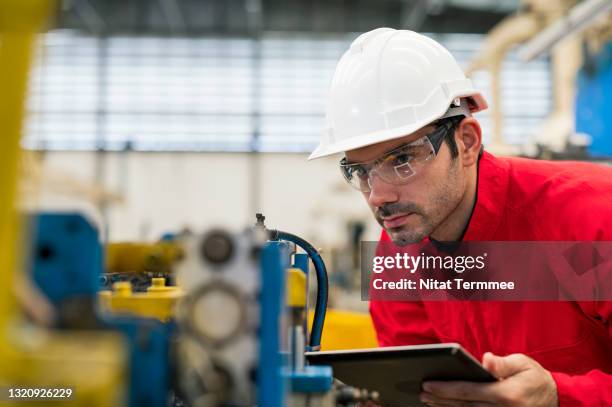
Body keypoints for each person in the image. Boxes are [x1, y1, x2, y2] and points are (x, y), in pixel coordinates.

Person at [309, 28, 612, 406]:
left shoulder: (591, 219)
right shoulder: (397, 252)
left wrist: (558, 396)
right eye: (362, 171)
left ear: (466, 142)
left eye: (402, 160)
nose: (378, 196)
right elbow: (411, 390)